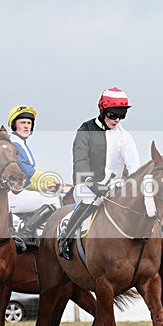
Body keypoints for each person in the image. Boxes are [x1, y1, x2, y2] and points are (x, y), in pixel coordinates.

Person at [57, 88, 140, 260]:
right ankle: (65, 238)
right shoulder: (85, 130)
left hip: (115, 187)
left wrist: (134, 183)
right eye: (113, 115)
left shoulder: (125, 137)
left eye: (121, 115)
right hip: (87, 186)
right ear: (102, 110)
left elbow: (134, 165)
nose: (117, 120)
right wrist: (91, 183)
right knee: (91, 201)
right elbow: (80, 160)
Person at [7, 105, 61, 246]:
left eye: (29, 123)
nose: (26, 126)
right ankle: (24, 232)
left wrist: (47, 185)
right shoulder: (13, 144)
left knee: (55, 196)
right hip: (10, 194)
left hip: (20, 192)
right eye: (22, 123)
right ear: (14, 124)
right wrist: (49, 182)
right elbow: (28, 173)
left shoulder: (20, 143)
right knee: (54, 201)